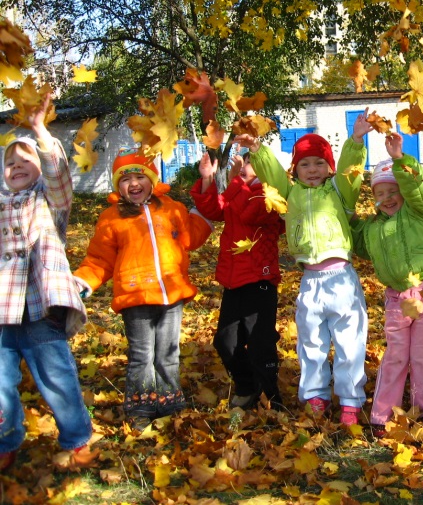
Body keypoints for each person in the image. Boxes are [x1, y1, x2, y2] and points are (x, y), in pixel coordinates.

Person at [237, 111, 373, 425]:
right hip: (310, 281)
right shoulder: (291, 195)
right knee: (311, 343)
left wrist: (355, 140)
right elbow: (271, 174)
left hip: (341, 279)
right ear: (295, 170)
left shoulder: (339, 192)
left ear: (329, 168)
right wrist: (256, 149)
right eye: (305, 164)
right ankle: (315, 396)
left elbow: (352, 172)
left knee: (349, 342)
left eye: (319, 163)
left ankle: (351, 400)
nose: (312, 170)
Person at [74, 147, 212, 430]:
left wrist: (205, 210)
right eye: (125, 179)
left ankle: (170, 401)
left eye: (140, 176)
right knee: (142, 354)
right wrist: (83, 281)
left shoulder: (172, 209)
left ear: (152, 179)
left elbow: (191, 234)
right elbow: (100, 258)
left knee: (168, 352)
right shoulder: (112, 219)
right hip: (135, 296)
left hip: (171, 294)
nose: (133, 183)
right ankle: (140, 406)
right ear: (118, 186)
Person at [0, 93, 96, 472]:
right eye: (10, 163)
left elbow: (58, 174)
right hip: (3, 311)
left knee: (58, 379)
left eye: (26, 160)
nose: (17, 166)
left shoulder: (49, 202)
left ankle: (76, 440)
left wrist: (39, 129)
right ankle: (6, 440)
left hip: (41, 309)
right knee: (1, 385)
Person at [351, 133, 423, 436]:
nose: (387, 198)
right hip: (396, 297)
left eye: (393, 190)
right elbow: (358, 243)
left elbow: (417, 188)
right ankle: (382, 414)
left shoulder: (421, 211)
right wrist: (349, 217)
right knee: (395, 355)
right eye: (380, 193)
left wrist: (399, 160)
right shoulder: (373, 228)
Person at [190, 149, 285, 411]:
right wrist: (208, 179)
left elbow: (250, 213)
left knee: (260, 345)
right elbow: (213, 208)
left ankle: (272, 396)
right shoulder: (237, 191)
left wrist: (234, 182)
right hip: (233, 281)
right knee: (225, 342)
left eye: (250, 164)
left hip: (260, 281)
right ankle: (247, 384)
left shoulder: (271, 197)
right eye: (242, 162)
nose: (243, 166)